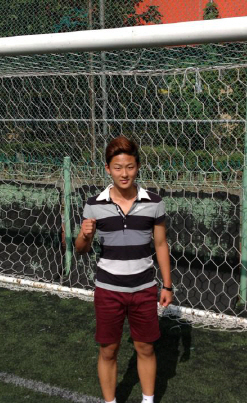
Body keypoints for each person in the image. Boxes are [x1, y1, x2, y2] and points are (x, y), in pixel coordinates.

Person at [75, 136, 173, 403]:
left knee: (145, 347)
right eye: (118, 167)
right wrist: (84, 235)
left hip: (144, 289)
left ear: (138, 166)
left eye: (130, 167)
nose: (124, 173)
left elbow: (161, 245)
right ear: (108, 169)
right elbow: (81, 249)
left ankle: (148, 400)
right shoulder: (94, 204)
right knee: (108, 350)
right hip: (108, 291)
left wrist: (167, 285)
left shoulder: (154, 202)